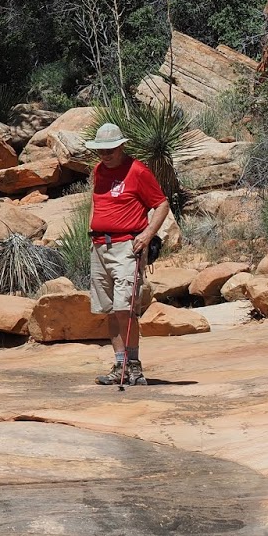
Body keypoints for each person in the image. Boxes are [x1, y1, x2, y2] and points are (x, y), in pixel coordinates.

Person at [85, 122, 169, 386]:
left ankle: (133, 366)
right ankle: (119, 365)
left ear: (121, 147)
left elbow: (161, 204)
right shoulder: (99, 170)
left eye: (110, 150)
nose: (105, 155)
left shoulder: (138, 171)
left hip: (126, 247)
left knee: (125, 308)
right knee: (110, 309)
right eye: (101, 150)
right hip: (100, 246)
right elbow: (96, 200)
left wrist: (147, 235)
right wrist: (91, 229)